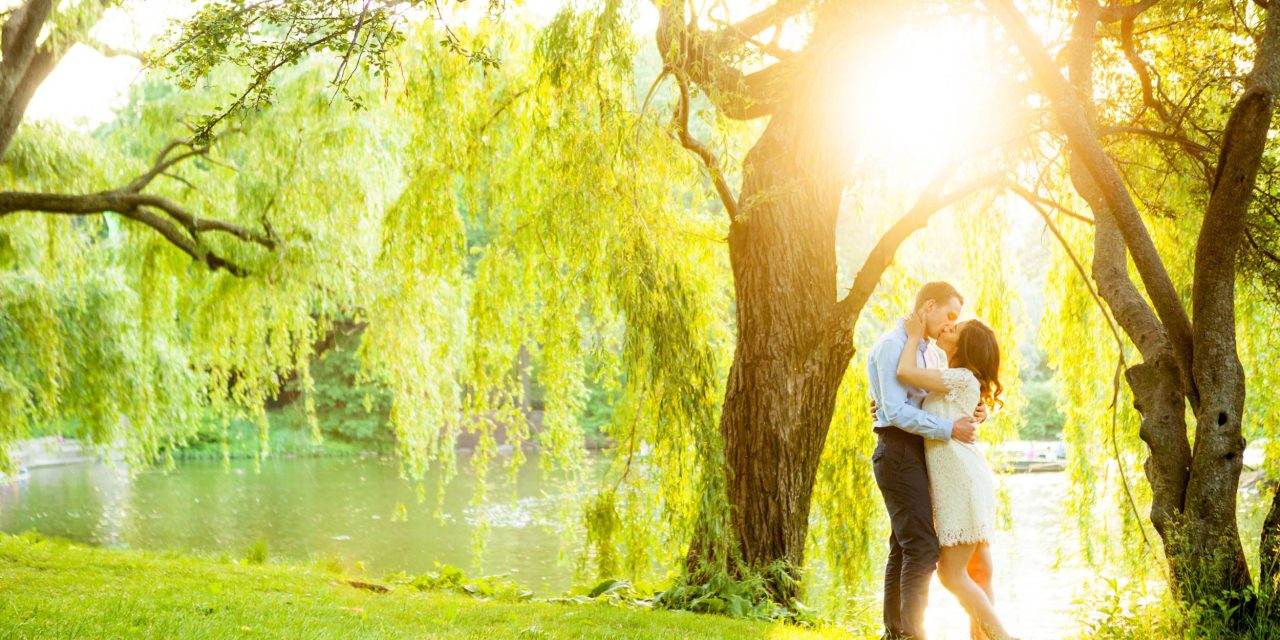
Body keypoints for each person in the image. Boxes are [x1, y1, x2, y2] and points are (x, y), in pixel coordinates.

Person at [867, 281, 977, 640]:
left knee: (903, 545)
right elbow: (896, 412)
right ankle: (911, 634)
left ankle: (895, 633)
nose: (950, 324)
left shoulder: (930, 352)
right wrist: (949, 428)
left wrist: (975, 410)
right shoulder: (891, 345)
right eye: (949, 315)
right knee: (922, 546)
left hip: (917, 451)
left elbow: (931, 399)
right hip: (898, 451)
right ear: (928, 307)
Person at [897, 309, 1015, 640]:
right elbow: (925, 404)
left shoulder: (960, 377)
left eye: (955, 328)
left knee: (951, 574)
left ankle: (1003, 637)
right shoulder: (952, 376)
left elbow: (905, 371)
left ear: (964, 346)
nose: (948, 325)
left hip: (961, 480)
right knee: (979, 570)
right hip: (963, 476)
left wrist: (913, 336)